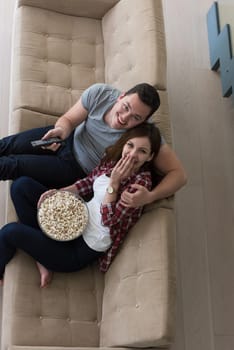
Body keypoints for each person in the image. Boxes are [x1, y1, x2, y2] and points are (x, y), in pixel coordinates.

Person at [0, 123, 161, 288]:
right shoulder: (113, 160)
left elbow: (109, 221)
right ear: (124, 142)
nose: (132, 154)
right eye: (130, 145)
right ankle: (40, 257)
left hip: (79, 249)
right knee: (21, 186)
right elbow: (89, 182)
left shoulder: (141, 184)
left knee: (9, 232)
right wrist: (59, 192)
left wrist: (114, 182)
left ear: (150, 157)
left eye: (142, 151)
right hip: (73, 222)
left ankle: (34, 258)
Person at [0, 83, 187, 207]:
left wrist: (150, 196)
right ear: (121, 96)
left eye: (136, 118)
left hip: (76, 168)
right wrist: (62, 130)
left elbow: (179, 175)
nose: (125, 117)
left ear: (145, 120)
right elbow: (69, 119)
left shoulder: (145, 135)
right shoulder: (101, 93)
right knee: (5, 146)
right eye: (126, 107)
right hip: (67, 139)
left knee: (11, 165)